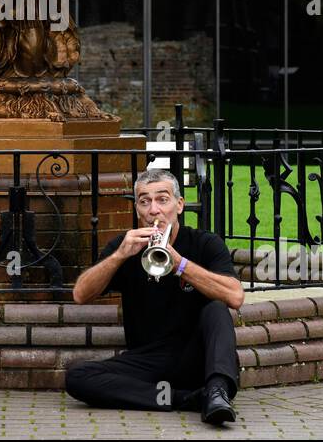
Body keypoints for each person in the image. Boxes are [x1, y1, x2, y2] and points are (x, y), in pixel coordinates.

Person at [66, 168, 245, 426]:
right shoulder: (125, 245)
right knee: (78, 377)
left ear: (179, 205)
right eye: (144, 201)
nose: (154, 210)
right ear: (138, 210)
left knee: (216, 308)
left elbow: (235, 297)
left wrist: (180, 265)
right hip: (148, 360)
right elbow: (80, 294)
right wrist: (118, 257)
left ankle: (217, 391)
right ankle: (189, 399)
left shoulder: (205, 243)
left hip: (197, 356)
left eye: (162, 200)